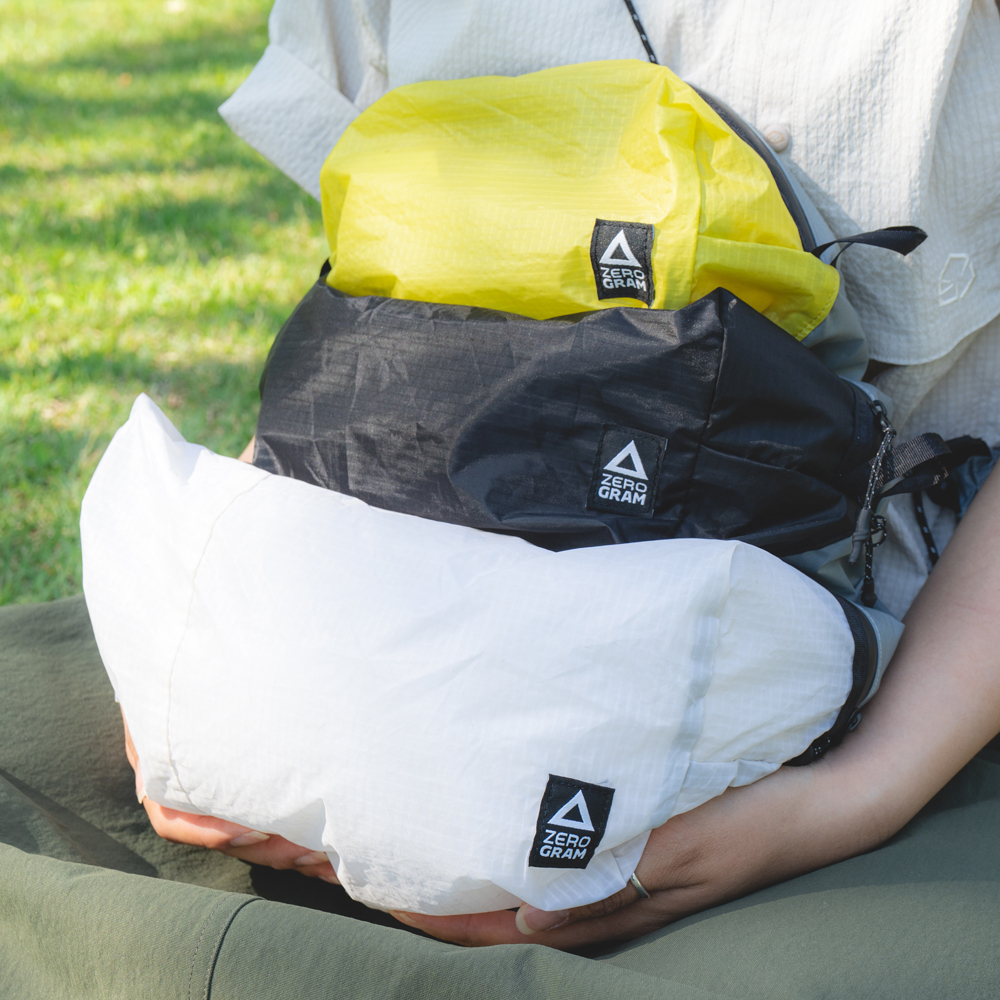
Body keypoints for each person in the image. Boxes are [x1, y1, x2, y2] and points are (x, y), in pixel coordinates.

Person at [125, 0, 1000, 950]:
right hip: (368, 663)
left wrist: (860, 793)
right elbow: (380, 323)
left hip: (905, 722)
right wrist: (197, 637)